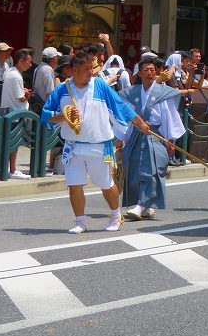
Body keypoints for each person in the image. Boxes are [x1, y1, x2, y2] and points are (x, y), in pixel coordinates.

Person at [42, 52, 150, 233]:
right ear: (73, 70)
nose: (90, 72)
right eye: (86, 69)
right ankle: (79, 222)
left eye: (92, 68)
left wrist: (139, 122)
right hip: (73, 146)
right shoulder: (62, 89)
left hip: (99, 145)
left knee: (106, 184)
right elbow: (46, 114)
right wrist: (63, 116)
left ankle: (116, 215)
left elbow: (120, 105)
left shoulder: (99, 85)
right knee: (74, 185)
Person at [118, 58, 185, 221]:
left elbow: (169, 116)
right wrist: (121, 138)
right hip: (135, 135)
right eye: (146, 70)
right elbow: (125, 117)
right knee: (134, 170)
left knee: (151, 170)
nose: (149, 73)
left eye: (152, 70)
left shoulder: (162, 93)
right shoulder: (131, 93)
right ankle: (146, 207)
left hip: (155, 135)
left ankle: (141, 205)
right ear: (139, 73)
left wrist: (170, 139)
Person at [0, 48, 34, 180]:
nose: (30, 65)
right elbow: (21, 98)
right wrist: (27, 94)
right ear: (21, 61)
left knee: (12, 143)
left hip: (11, 112)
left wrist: (23, 92)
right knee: (14, 144)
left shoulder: (12, 72)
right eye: (29, 62)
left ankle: (10, 169)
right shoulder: (16, 76)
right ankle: (12, 170)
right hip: (15, 114)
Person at [32, 47, 61, 114]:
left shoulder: (38, 68)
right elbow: (50, 92)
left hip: (37, 105)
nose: (57, 60)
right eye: (56, 57)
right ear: (53, 59)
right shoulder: (48, 69)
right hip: (44, 106)